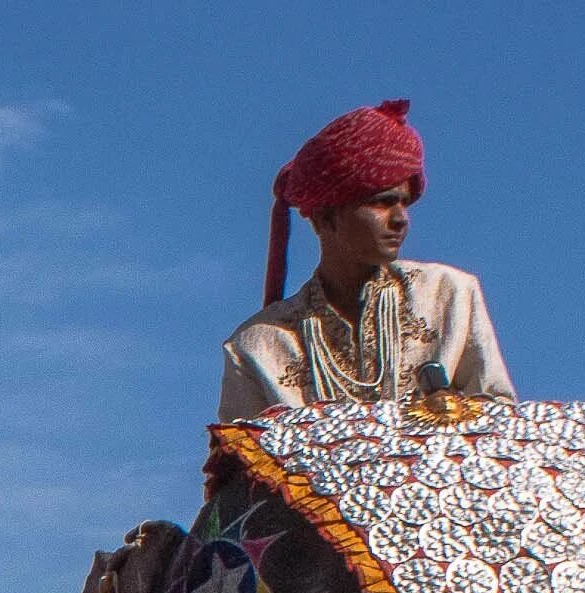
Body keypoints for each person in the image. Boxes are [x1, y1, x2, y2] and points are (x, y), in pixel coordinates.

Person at [220, 99, 513, 421]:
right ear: (324, 219)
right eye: (383, 203)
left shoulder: (449, 295)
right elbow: (239, 462)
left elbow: (498, 421)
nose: (401, 219)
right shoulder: (259, 346)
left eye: (404, 203)